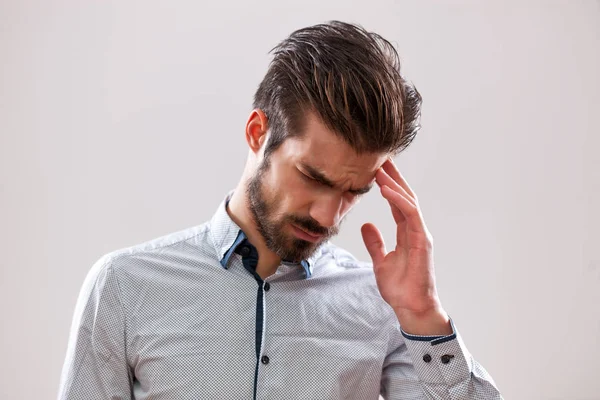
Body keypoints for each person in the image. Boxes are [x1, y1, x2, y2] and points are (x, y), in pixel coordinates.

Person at [58, 20, 502, 399]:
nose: (329, 217)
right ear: (257, 133)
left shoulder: (382, 305)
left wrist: (424, 314)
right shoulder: (124, 287)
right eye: (313, 177)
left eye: (354, 191)